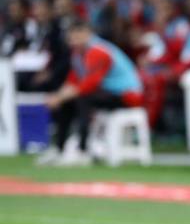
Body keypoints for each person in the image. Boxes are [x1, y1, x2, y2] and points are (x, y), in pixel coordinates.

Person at [39, 20, 144, 167]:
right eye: (71, 38)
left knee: (83, 99)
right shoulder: (78, 54)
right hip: (107, 93)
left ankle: (83, 151)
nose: (73, 42)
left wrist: (59, 98)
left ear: (87, 34)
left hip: (128, 95)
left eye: (76, 37)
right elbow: (73, 80)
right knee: (68, 102)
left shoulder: (99, 51)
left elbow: (89, 84)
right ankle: (59, 149)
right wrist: (58, 97)